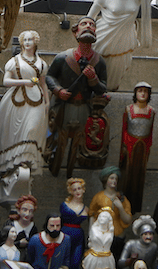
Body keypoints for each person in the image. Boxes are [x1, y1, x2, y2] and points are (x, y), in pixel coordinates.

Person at [0, 30, 49, 204]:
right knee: (14, 133)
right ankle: (13, 167)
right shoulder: (14, 61)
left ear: (36, 42)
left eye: (31, 39)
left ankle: (26, 162)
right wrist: (24, 82)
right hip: (16, 100)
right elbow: (6, 81)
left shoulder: (42, 63)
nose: (27, 42)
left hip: (37, 100)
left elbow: (43, 83)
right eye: (25, 40)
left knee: (31, 130)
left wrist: (47, 101)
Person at [45, 19, 110, 174]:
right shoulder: (63, 57)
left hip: (84, 107)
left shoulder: (99, 62)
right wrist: (58, 90)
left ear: (95, 32)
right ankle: (53, 163)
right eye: (84, 24)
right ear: (75, 32)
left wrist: (93, 78)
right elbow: (49, 77)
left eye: (92, 25)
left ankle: (71, 170)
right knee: (58, 138)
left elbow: (102, 88)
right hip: (64, 106)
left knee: (79, 140)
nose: (88, 26)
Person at [84, 0, 153, 84]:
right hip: (104, 37)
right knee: (100, 66)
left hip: (125, 40)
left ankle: (111, 89)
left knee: (117, 70)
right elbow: (89, 19)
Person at [119, 81, 157, 209]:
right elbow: (124, 129)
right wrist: (123, 148)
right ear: (135, 93)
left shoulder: (152, 111)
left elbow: (151, 131)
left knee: (140, 175)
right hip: (130, 146)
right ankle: (124, 202)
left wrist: (148, 148)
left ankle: (135, 204)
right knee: (128, 173)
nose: (143, 93)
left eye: (145, 91)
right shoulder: (128, 109)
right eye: (140, 91)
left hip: (143, 147)